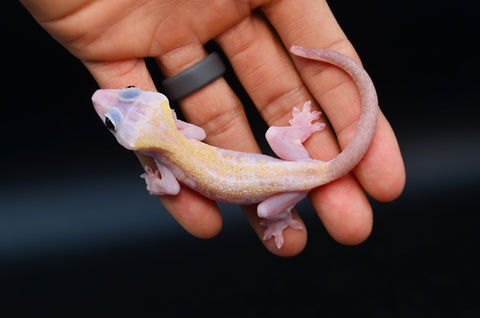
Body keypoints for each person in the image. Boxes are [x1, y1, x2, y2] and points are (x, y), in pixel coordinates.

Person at [19, 0, 405, 257]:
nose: (104, 99)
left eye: (128, 93)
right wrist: (169, 143)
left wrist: (155, 180)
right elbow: (196, 140)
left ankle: (282, 215)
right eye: (116, 115)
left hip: (290, 182)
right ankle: (298, 139)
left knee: (269, 209)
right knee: (275, 140)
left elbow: (169, 185)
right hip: (289, 168)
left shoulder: (169, 163)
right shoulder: (177, 146)